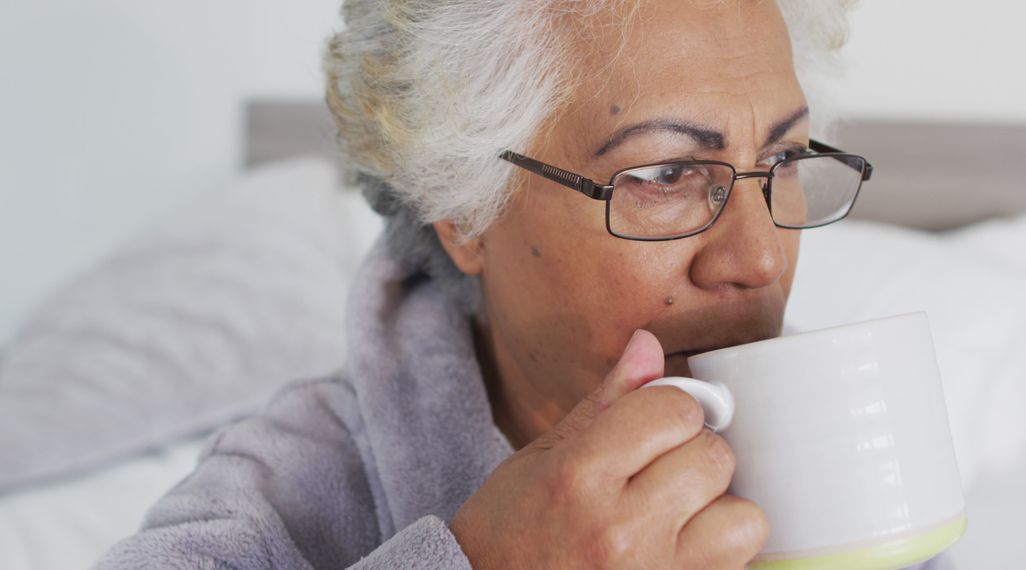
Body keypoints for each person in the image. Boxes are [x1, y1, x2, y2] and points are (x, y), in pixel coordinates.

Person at [94, 0, 951, 568]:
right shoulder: (280, 495)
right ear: (465, 212)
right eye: (661, 175)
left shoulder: (863, 452)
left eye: (783, 160)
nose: (759, 258)